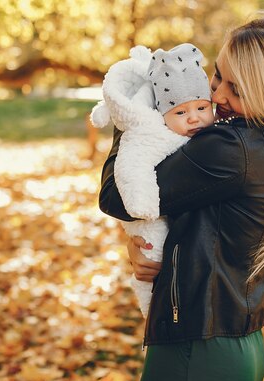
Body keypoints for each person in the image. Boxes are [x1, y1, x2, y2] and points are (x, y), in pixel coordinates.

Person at [98, 17, 264, 381]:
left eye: (237, 88)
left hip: (200, 349)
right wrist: (143, 245)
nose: (218, 95)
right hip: (235, 343)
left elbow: (118, 196)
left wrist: (133, 118)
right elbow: (192, 218)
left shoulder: (229, 148)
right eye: (217, 77)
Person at [91, 43, 214, 316]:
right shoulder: (157, 134)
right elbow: (120, 190)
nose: (194, 118)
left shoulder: (224, 146)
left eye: (202, 108)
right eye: (181, 113)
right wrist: (132, 120)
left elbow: (111, 198)